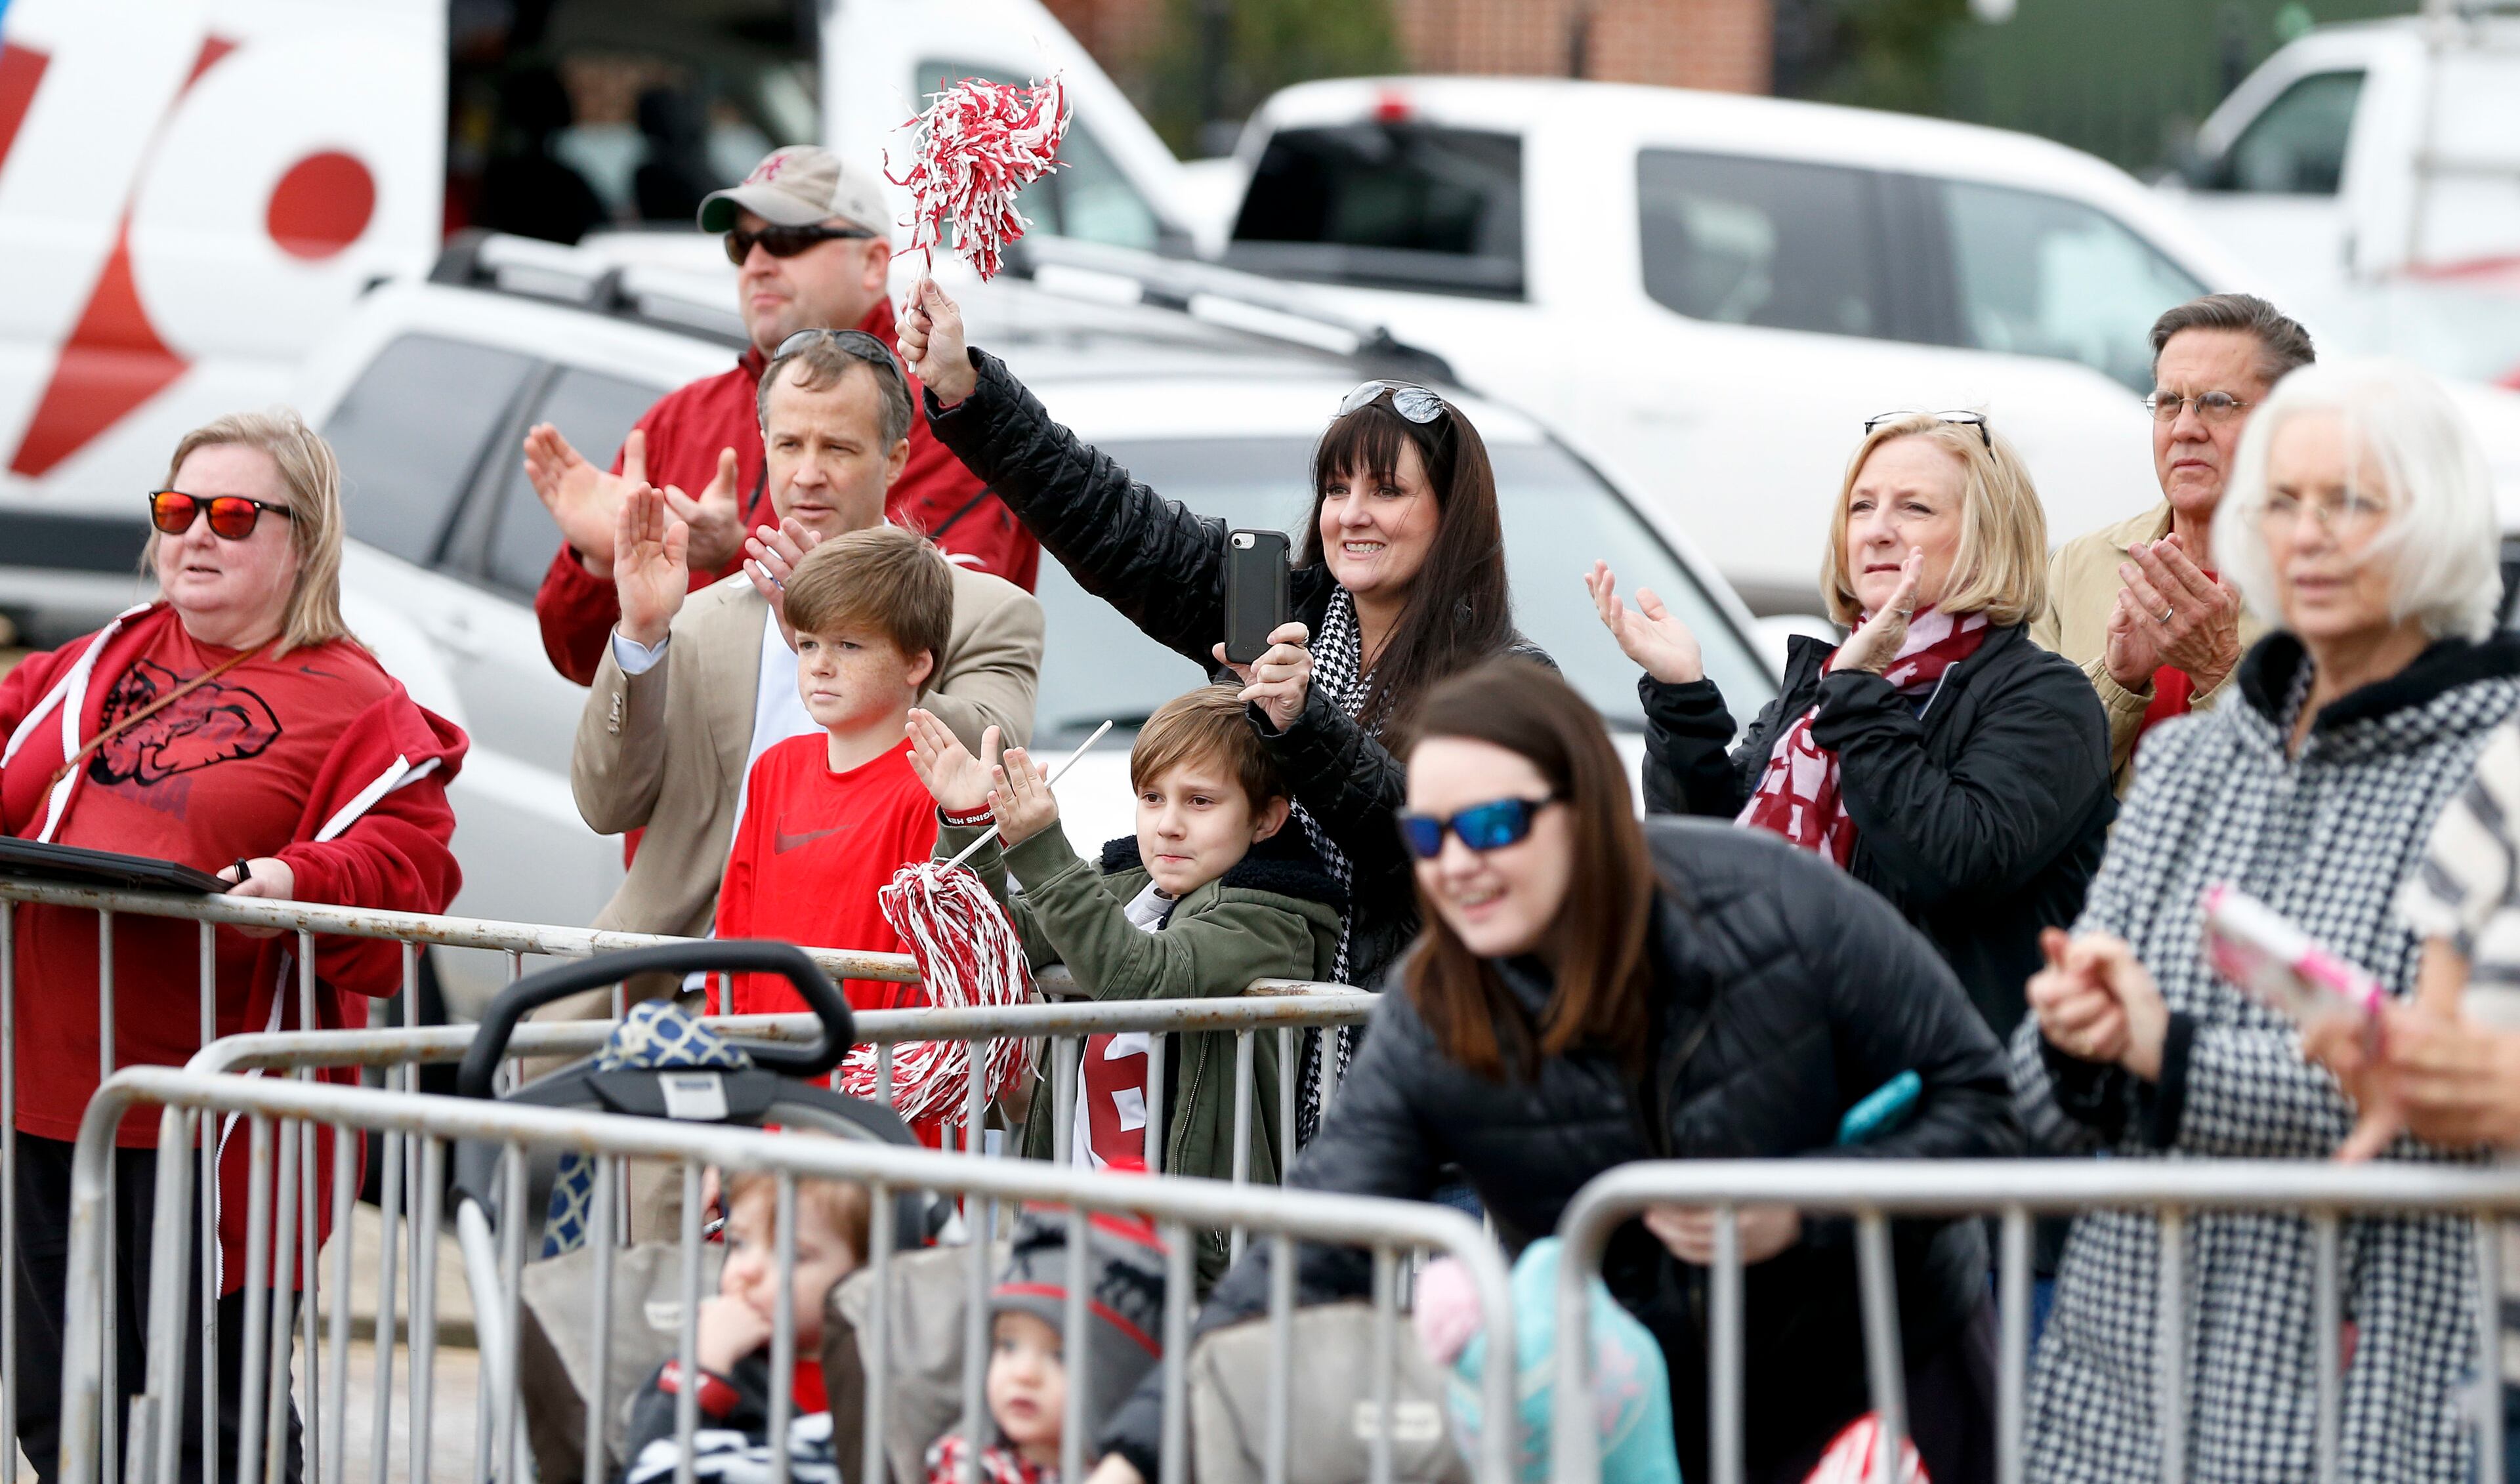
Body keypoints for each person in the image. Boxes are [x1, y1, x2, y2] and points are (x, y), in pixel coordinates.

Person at [1088, 659, 2023, 1484]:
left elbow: (1982, 1105)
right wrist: (1138, 1452)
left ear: (1580, 813)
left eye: (1493, 823)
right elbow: (1308, 1247)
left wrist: (1800, 1205)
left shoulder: (1775, 901)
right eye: (1430, 835)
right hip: (1644, 1417)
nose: (1458, 863)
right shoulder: (1438, 1006)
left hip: (1884, 1384)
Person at [2011, 358, 2515, 1482]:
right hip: (2116, 1381)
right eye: (2281, 502)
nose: (2310, 535)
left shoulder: (2498, 766)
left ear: (2436, 521)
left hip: (2363, 1384)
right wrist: (2076, 1031)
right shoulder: (2192, 758)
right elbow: (2041, 1100)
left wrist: (2170, 1055)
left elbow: (2433, 1082)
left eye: (2353, 503)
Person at [900, 279, 1542, 1136]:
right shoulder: (1279, 609)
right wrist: (971, 394)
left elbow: (1433, 853)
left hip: (1425, 1098)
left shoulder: (1510, 680)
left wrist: (1305, 724)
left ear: (1448, 511)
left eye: (1386, 491)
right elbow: (1117, 525)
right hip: (1253, 1111)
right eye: (1336, 487)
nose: (1352, 514)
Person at [3, 411, 466, 1483]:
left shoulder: (359, 700)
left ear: (302, 539)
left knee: (219, 1429)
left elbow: (410, 868)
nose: (195, 536)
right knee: (57, 1411)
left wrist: (293, 879)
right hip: (54, 1101)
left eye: (231, 515)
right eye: (177, 511)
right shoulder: (98, 660)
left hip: (222, 1124)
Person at [1591, 411, 2113, 1039]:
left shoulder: (2045, 698)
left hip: (1933, 1078)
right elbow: (1699, 861)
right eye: (1861, 507)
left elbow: (1952, 866)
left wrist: (1860, 697)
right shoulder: (1830, 681)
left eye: (1915, 509)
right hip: (1767, 1046)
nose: (1877, 532)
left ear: (1989, 535)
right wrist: (1683, 698)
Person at [569, 331, 1040, 967]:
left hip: (877, 980)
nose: (809, 474)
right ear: (764, 450)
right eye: (789, 445)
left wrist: (856, 631)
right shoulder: (701, 618)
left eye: (839, 448)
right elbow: (605, 806)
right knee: (508, 1054)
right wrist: (642, 633)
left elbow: (995, 760)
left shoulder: (990, 611)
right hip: (679, 972)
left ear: (896, 459)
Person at [525, 144, 1038, 688]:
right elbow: (580, 661)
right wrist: (599, 563)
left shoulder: (952, 420)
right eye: (741, 244)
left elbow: (932, 659)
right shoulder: (681, 416)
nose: (758, 263)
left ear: (871, 263)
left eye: (788, 239)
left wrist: (733, 555)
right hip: (706, 770)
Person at [906, 684, 1344, 1277]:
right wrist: (968, 823)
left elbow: (1144, 979)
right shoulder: (1127, 878)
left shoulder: (1272, 913)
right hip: (1068, 1225)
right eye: (1152, 798)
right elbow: (1002, 939)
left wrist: (1040, 847)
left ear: (1265, 818)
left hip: (1190, 1258)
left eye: (1201, 802)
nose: (1168, 826)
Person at [2031, 293, 2314, 791]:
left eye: (2217, 403)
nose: (2184, 429)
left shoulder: (2332, 582)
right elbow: (2030, 785)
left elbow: (2329, 792)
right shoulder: (2080, 566)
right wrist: (2118, 684)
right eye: (2168, 403)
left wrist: (2220, 670)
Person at [711, 526, 950, 1020]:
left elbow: (926, 974)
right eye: (807, 644)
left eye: (848, 645)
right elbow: (734, 933)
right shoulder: (776, 768)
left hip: (868, 1085)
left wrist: (880, 1087)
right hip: (765, 1075)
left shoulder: (931, 793)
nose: (820, 665)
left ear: (916, 662)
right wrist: (733, 1051)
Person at [621, 1167, 871, 1484]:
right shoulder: (716, 1362)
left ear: (866, 1273)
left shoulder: (885, 1366)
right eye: (740, 1244)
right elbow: (648, 1467)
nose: (748, 1270)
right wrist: (703, 1369)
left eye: (792, 1253)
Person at [927, 1206, 1169, 1484]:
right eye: (1008, 1346)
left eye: (1060, 1356)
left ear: (1117, 1383)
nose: (1024, 1373)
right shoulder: (969, 1467)